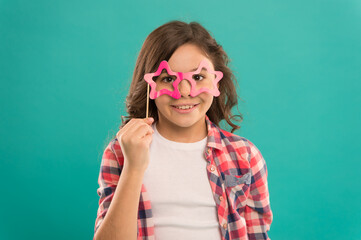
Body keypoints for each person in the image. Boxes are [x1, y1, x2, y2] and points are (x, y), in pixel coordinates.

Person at [93, 20, 273, 240]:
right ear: (150, 86)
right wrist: (133, 167)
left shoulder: (245, 156)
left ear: (216, 81)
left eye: (198, 77)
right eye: (168, 79)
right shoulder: (120, 152)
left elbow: (257, 234)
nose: (184, 91)